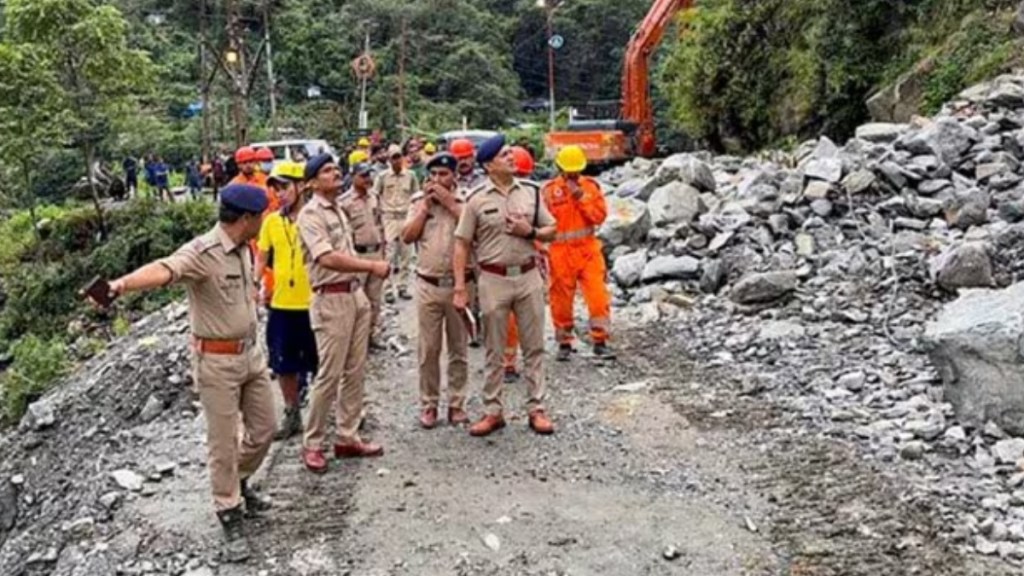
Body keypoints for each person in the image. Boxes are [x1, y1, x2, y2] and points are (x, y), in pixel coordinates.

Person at [86, 184, 276, 562]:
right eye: (260, 216)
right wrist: (120, 285)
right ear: (246, 219)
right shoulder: (202, 252)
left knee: (265, 428)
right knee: (222, 441)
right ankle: (229, 510)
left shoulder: (243, 248)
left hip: (251, 355)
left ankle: (238, 481)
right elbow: (164, 269)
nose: (263, 221)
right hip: (216, 362)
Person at [452, 134, 557, 437]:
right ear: (488, 165)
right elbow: (461, 244)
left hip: (527, 276)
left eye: (511, 153)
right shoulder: (476, 199)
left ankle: (536, 409)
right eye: (504, 155)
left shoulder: (532, 193)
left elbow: (551, 229)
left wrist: (531, 231)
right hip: (493, 279)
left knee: (534, 345)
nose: (512, 158)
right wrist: (460, 288)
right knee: (494, 348)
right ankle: (492, 411)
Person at [297, 154, 390, 473]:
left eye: (336, 168)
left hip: (354, 295)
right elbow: (327, 258)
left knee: (355, 370)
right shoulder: (310, 214)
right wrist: (371, 266)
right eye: (326, 171)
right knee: (329, 374)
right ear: (311, 183)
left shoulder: (337, 208)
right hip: (331, 299)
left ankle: (347, 435)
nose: (335, 173)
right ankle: (313, 443)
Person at [401, 153, 471, 429]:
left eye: (443, 174)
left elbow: (476, 231)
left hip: (459, 285)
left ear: (454, 175)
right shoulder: (419, 202)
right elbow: (407, 236)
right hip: (428, 284)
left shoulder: (466, 201)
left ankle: (457, 403)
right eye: (433, 175)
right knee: (428, 349)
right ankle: (429, 404)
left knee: (458, 347)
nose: (437, 180)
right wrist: (425, 209)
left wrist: (449, 203)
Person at [255, 162, 317, 441]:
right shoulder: (271, 221)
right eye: (276, 189)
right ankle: (292, 413)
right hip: (281, 304)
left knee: (322, 364)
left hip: (315, 302)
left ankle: (333, 415)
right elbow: (261, 257)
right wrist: (256, 283)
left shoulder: (315, 218)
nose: (280, 194)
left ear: (301, 185)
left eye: (284, 187)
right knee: (283, 364)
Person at [544, 145, 614, 361]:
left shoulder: (591, 188)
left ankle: (600, 341)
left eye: (576, 170)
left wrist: (581, 198)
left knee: (598, 297)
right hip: (560, 253)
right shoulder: (549, 191)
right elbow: (542, 221)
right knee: (561, 300)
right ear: (560, 168)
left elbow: (599, 217)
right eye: (568, 171)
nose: (573, 175)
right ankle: (564, 342)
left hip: (588, 251)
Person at [502, 146, 547, 382]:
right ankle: (510, 361)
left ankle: (510, 362)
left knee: (516, 317)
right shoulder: (529, 195)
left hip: (525, 264)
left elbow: (546, 230)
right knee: (517, 317)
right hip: (512, 265)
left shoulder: (534, 195)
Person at [339, 162, 387, 351]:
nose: (368, 179)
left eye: (369, 175)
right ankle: (355, 340)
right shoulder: (345, 202)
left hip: (375, 253)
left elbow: (380, 224)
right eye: (363, 175)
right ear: (353, 177)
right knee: (356, 300)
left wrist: (384, 252)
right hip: (357, 255)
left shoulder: (375, 197)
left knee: (374, 299)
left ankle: (370, 336)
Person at [372, 144, 419, 303]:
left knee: (406, 254)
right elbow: (376, 196)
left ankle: (403, 287)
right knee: (390, 254)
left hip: (406, 217)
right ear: (389, 160)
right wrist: (377, 218)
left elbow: (416, 196)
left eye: (399, 156)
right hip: (389, 217)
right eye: (393, 157)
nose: (397, 160)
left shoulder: (411, 176)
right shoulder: (383, 177)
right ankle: (387, 289)